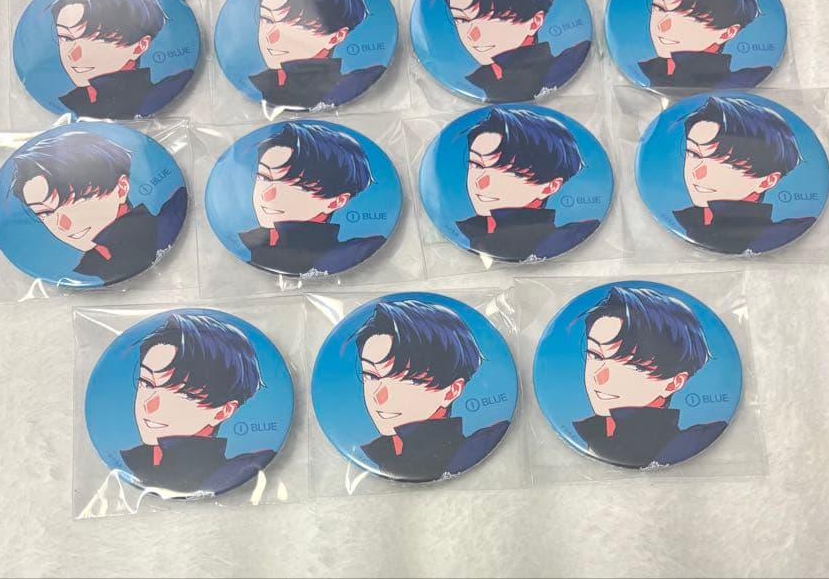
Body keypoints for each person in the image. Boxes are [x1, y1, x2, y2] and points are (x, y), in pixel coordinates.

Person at [349, 299, 509, 482]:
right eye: (371, 376)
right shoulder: (375, 454)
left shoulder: (480, 445)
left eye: (405, 379)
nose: (379, 397)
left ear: (452, 391)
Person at [120, 313, 275, 495]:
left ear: (223, 411)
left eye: (181, 393)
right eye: (147, 383)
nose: (150, 405)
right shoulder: (131, 464)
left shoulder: (242, 469)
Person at [573, 285, 727, 468]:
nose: (600, 377)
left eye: (630, 364)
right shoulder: (595, 436)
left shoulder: (693, 441)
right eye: (595, 355)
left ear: (674, 383)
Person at [11, 131, 186, 283]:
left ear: (121, 188)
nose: (63, 224)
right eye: (44, 212)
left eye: (73, 202)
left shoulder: (169, 216)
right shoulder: (86, 269)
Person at [239, 122, 386, 275]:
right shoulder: (248, 246)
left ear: (337, 201)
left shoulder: (358, 252)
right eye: (264, 177)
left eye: (296, 185)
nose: (267, 195)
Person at [673, 96, 815, 253]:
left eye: (725, 162)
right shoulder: (684, 223)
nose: (698, 173)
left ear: (767, 181)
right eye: (693, 154)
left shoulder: (786, 233)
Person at [456, 107, 599, 261]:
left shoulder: (572, 236)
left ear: (550, 186)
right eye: (476, 164)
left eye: (508, 171)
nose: (481, 183)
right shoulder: (467, 234)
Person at [441, 0, 589, 102]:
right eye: (461, 19)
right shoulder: (477, 82)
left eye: (490, 18)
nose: (472, 34)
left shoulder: (566, 64)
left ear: (535, 22)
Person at [50, 0, 192, 118]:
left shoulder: (163, 92)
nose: (74, 54)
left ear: (140, 46)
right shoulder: (71, 103)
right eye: (66, 37)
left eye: (96, 39)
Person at [250, 0, 386, 109]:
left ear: (336, 36)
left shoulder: (357, 83)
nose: (271, 37)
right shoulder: (262, 88)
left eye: (295, 25)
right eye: (267, 19)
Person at [639, 0, 771, 88]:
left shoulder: (747, 81)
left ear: (727, 33)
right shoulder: (650, 74)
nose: (663, 25)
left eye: (688, 15)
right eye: (659, 8)